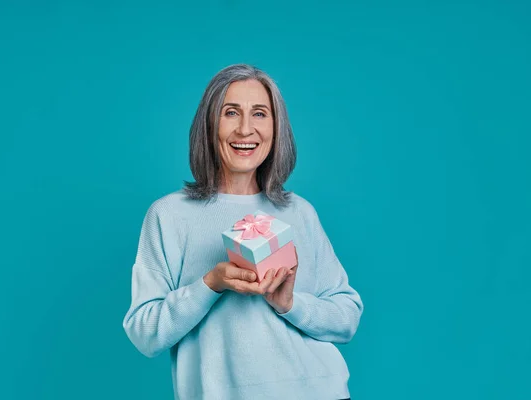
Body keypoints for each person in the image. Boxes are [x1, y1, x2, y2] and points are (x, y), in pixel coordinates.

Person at [123, 64, 363, 400]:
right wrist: (211, 284)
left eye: (260, 114)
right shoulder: (169, 215)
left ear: (276, 128)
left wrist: (290, 304)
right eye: (231, 112)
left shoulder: (299, 212)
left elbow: (347, 316)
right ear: (209, 125)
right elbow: (145, 333)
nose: (245, 129)